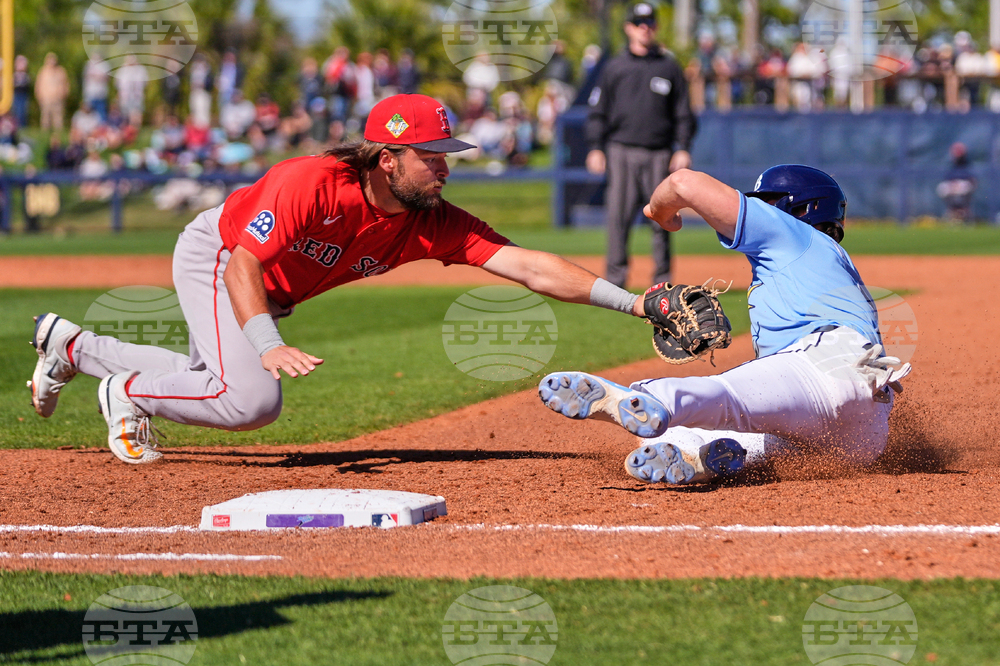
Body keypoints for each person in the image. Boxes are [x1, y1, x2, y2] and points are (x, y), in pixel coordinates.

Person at [27, 94, 651, 464]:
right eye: (431, 156)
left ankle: (72, 348)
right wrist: (268, 343)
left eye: (447, 155)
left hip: (266, 283)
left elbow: (530, 266)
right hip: (220, 256)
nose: (444, 168)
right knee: (250, 400)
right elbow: (244, 262)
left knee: (203, 379)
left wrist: (636, 305)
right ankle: (128, 392)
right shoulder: (310, 183)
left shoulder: (433, 220)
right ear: (388, 159)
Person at [539, 165, 912, 486]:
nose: (758, 209)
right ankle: (700, 458)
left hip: (823, 367)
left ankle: (643, 398)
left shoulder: (791, 233)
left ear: (798, 207)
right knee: (715, 434)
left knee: (723, 398)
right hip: (865, 431)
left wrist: (659, 211)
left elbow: (683, 182)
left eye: (767, 202)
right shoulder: (833, 265)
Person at [586, 2, 696, 289]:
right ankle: (615, 281)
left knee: (662, 219)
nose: (644, 28)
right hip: (621, 150)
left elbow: (683, 112)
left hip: (659, 153)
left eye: (649, 23)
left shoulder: (669, 67)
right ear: (628, 28)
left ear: (656, 27)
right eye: (638, 23)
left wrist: (683, 147)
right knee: (618, 218)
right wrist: (596, 146)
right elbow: (598, 111)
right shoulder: (615, 67)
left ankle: (663, 282)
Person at [936, 142, 976, 223]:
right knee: (942, 187)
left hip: (963, 185)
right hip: (952, 185)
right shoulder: (950, 164)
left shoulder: (968, 164)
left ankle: (964, 213)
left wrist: (959, 184)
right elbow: (946, 179)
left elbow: (973, 180)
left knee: (964, 186)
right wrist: (953, 184)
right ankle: (951, 212)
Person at [34, 53, 69, 132]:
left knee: (58, 117)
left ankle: (58, 133)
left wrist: (64, 94)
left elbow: (66, 84)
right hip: (46, 98)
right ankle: (45, 133)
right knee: (46, 117)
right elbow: (38, 85)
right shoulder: (43, 71)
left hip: (58, 98)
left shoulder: (60, 71)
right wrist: (39, 96)